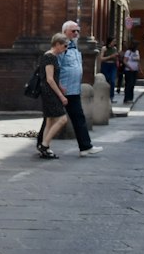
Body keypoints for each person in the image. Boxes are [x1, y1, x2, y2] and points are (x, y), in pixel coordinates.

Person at [42, 20, 101, 156]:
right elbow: (55, 70)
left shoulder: (74, 46)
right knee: (51, 118)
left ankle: (85, 147)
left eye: (77, 31)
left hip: (74, 89)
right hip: (62, 89)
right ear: (64, 32)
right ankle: (43, 144)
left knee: (78, 117)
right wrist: (60, 87)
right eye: (73, 31)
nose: (76, 33)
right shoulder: (61, 49)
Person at [37, 32, 70, 158]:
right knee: (62, 119)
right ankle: (45, 145)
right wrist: (61, 96)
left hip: (49, 91)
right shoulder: (50, 57)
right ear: (57, 44)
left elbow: (52, 77)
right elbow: (49, 79)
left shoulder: (51, 56)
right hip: (49, 92)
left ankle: (45, 147)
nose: (65, 49)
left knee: (50, 120)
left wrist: (60, 86)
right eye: (64, 46)